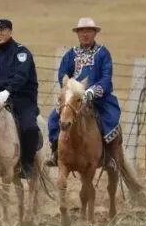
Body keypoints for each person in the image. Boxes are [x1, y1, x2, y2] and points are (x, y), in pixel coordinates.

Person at [45, 17, 122, 168]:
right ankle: (56, 152)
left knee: (110, 118)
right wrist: (69, 87)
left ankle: (109, 156)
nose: (85, 34)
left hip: (98, 98)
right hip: (75, 99)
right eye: (81, 31)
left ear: (95, 33)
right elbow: (63, 73)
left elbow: (106, 77)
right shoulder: (71, 54)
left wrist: (92, 92)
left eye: (88, 31)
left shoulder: (103, 53)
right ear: (78, 34)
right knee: (54, 118)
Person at [0, 18, 40, 179]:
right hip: (0, 99)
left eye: (2, 30)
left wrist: (7, 91)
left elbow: (21, 76)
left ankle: (27, 164)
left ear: (10, 32)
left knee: (29, 127)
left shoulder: (21, 53)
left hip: (22, 99)